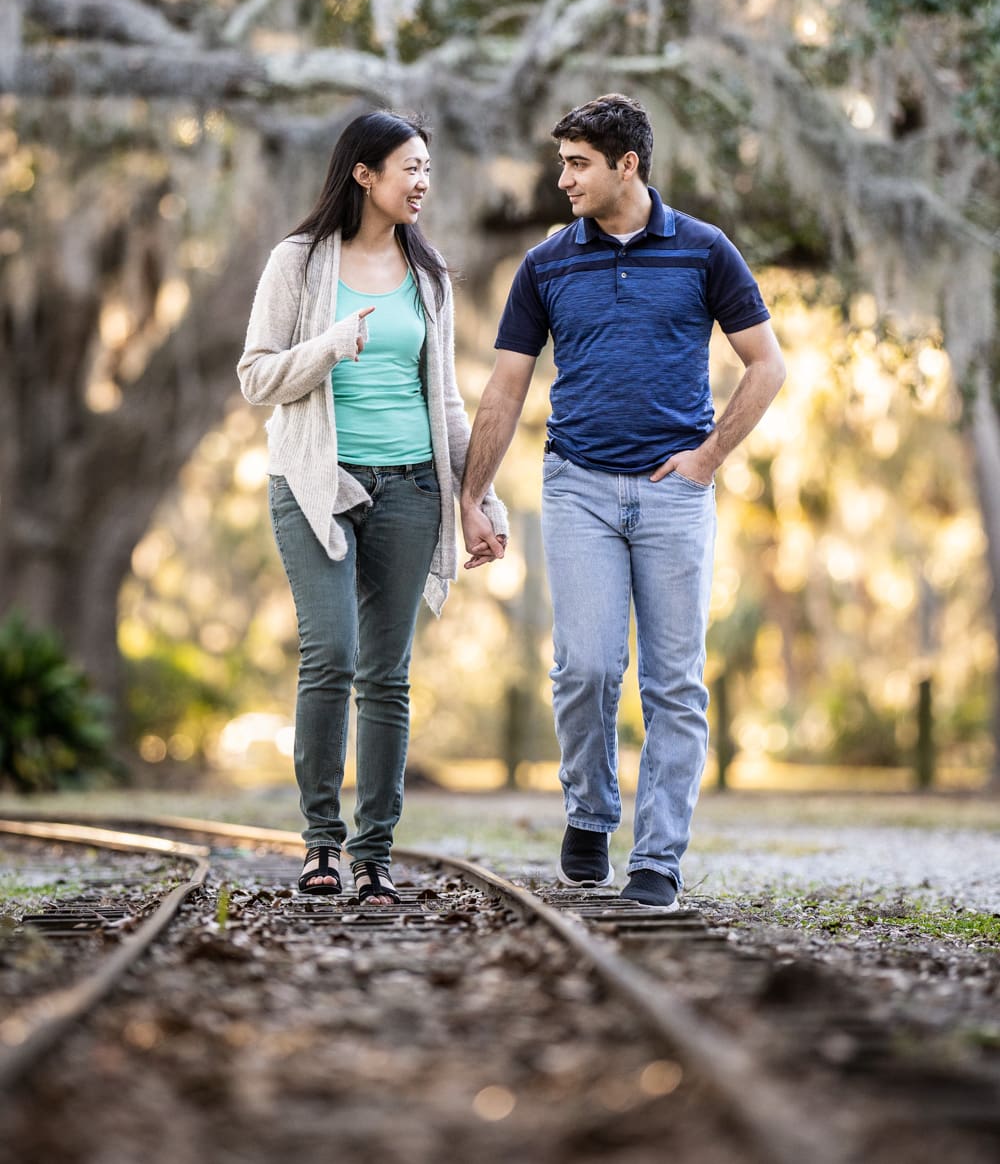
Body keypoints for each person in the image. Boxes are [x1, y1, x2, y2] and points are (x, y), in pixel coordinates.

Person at [461, 94, 785, 908]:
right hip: (577, 488)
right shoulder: (544, 264)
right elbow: (505, 387)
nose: (561, 178)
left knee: (675, 685)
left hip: (675, 495)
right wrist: (474, 491)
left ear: (626, 165)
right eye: (561, 161)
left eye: (577, 163)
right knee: (588, 668)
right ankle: (590, 809)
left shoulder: (705, 251)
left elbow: (767, 365)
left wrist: (708, 460)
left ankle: (658, 859)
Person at [239, 111, 506, 904]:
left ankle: (374, 856)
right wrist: (328, 346)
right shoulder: (298, 262)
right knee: (331, 657)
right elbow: (255, 378)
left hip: (412, 487)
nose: (423, 182)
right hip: (317, 481)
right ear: (363, 173)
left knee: (386, 676)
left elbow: (448, 399)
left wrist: (476, 497)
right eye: (409, 168)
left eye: (428, 169)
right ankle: (321, 845)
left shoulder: (431, 275)